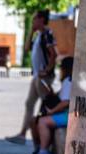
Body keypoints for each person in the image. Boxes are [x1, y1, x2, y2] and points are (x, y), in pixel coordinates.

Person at [5, 10, 56, 143]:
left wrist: (47, 70)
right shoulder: (38, 35)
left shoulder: (47, 34)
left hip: (43, 76)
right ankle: (22, 134)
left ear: (41, 19)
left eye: (35, 19)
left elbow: (53, 54)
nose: (33, 21)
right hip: (37, 76)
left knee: (47, 103)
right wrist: (31, 32)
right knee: (29, 104)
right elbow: (27, 48)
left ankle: (45, 137)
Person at [28, 55, 73, 154]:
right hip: (67, 113)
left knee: (43, 121)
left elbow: (65, 102)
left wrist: (51, 112)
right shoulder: (68, 81)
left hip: (68, 115)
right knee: (34, 120)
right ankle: (39, 150)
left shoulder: (69, 81)